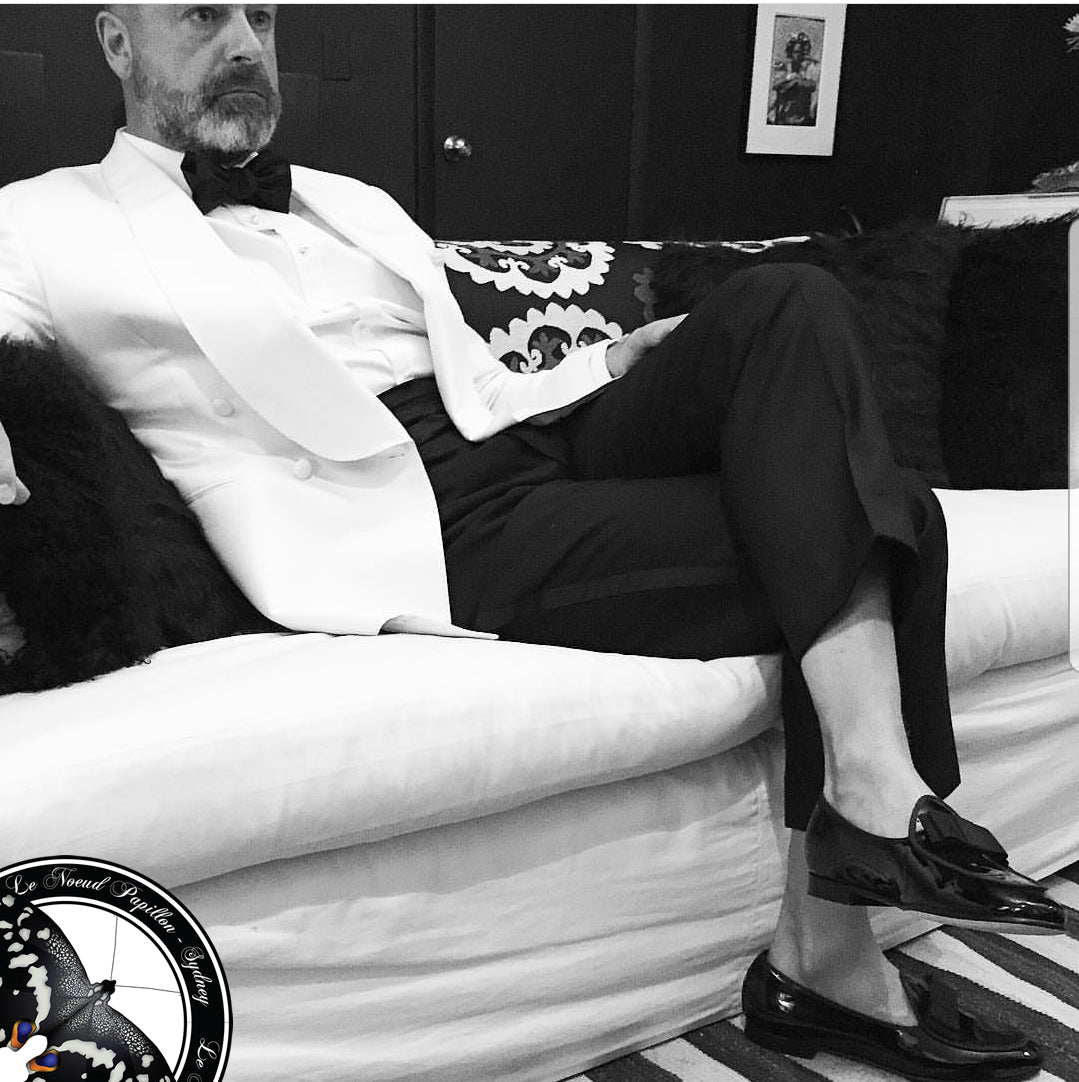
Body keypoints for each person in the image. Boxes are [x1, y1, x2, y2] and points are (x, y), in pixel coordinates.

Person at [0, 6, 1064, 1079]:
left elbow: (474, 379)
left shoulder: (349, 200)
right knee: (888, 513)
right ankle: (826, 945)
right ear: (117, 43)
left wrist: (603, 365)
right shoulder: (42, 220)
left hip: (533, 431)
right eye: (201, 13)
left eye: (262, 17)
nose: (243, 41)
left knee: (789, 299)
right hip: (421, 517)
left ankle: (868, 786)